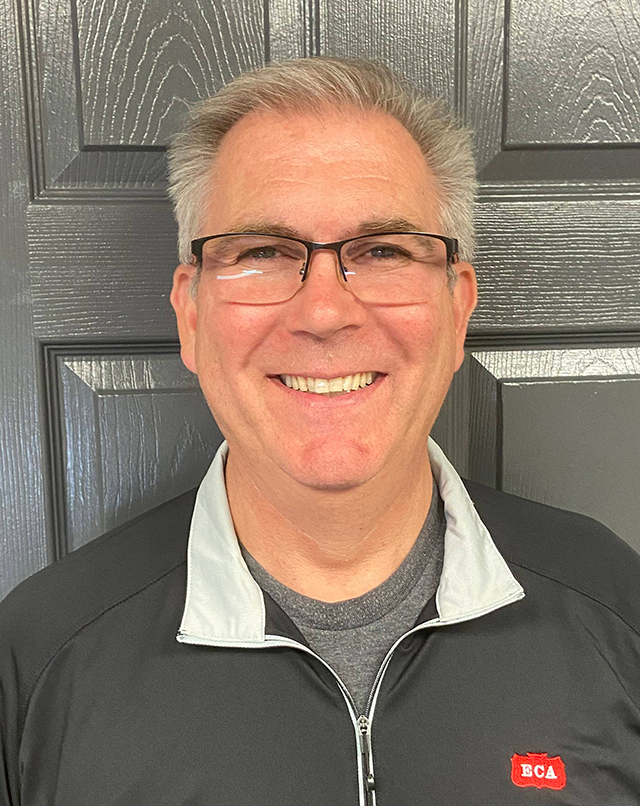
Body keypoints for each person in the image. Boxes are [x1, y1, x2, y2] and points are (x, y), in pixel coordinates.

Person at [1, 57, 639, 806]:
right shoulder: (40, 655)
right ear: (193, 313)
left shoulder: (615, 605)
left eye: (384, 251)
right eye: (264, 252)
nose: (325, 313)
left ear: (458, 308)